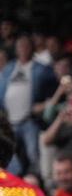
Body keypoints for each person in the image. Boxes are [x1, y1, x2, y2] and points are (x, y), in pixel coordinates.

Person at [0, 36, 55, 177]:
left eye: (26, 46)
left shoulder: (42, 69)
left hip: (29, 120)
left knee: (33, 155)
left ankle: (37, 182)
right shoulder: (9, 68)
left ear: (32, 49)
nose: (23, 49)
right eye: (20, 46)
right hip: (10, 121)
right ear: (16, 49)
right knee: (10, 155)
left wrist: (44, 105)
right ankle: (14, 181)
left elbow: (52, 92)